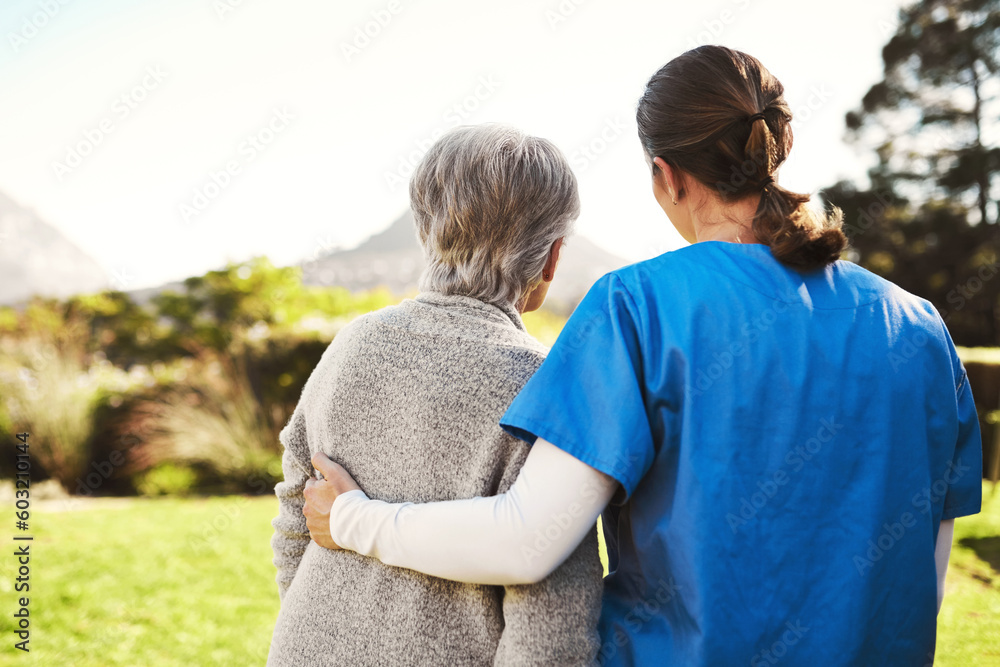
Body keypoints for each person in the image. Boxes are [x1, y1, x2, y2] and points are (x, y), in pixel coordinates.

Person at [304, 45, 984, 666]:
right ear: (776, 149)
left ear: (666, 175)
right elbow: (922, 572)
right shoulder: (920, 329)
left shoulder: (638, 307)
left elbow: (525, 539)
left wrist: (353, 518)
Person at [267, 124, 604, 667]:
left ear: (426, 230)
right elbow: (551, 626)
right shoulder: (544, 387)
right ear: (552, 257)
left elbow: (295, 516)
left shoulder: (351, 345)